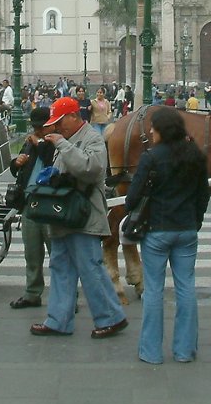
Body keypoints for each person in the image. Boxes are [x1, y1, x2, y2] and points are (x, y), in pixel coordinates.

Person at [29, 97, 128, 338]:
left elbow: (90, 169)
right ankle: (58, 320)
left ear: (74, 116)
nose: (57, 127)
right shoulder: (69, 139)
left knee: (90, 267)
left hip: (84, 215)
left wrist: (63, 145)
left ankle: (111, 317)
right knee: (60, 266)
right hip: (64, 214)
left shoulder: (91, 138)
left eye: (60, 121)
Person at [125, 107, 210, 364]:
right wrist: (195, 221)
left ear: (162, 130)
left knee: (153, 291)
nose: (150, 131)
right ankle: (184, 351)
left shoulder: (151, 157)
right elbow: (203, 195)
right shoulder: (195, 155)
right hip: (186, 230)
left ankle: (151, 352)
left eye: (153, 127)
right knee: (186, 288)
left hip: (157, 231)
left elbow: (132, 199)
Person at [8, 107, 56, 309]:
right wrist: (16, 163)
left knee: (57, 254)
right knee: (32, 253)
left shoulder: (56, 142)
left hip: (51, 204)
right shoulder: (30, 143)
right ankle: (32, 292)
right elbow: (16, 169)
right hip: (29, 202)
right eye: (35, 128)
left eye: (41, 127)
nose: (37, 131)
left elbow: (49, 158)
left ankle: (65, 295)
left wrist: (39, 144)